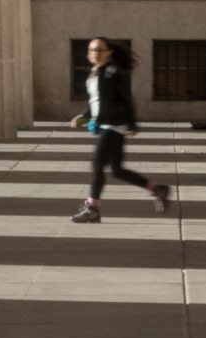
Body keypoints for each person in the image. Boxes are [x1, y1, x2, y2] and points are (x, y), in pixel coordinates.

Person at [69, 38, 171, 224]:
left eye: (100, 49)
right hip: (106, 124)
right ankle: (157, 189)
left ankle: (92, 208)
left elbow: (126, 99)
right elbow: (97, 103)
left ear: (109, 52)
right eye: (92, 50)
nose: (96, 53)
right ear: (87, 54)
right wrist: (84, 116)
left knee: (97, 164)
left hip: (113, 124)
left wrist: (131, 124)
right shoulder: (95, 73)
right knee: (117, 170)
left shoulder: (113, 71)